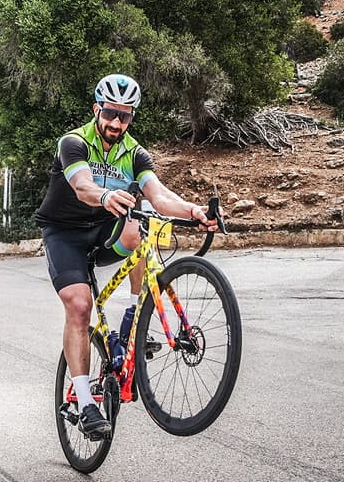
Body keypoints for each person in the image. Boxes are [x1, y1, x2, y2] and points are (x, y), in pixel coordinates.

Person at [34, 74, 222, 439]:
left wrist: (193, 211)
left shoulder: (135, 153)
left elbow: (160, 195)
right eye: (110, 113)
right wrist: (105, 196)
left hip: (105, 232)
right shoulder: (74, 142)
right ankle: (86, 403)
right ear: (96, 110)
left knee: (141, 229)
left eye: (125, 116)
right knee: (79, 306)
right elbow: (82, 185)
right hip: (64, 234)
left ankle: (136, 316)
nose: (116, 123)